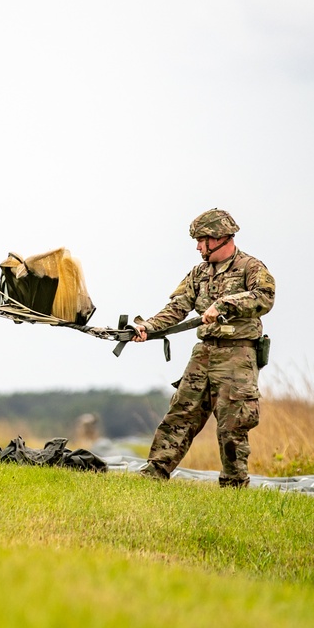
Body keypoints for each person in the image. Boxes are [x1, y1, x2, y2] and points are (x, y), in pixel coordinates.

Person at [133, 209, 274, 487]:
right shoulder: (198, 273)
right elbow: (177, 308)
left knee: (233, 424)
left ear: (220, 237)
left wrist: (224, 304)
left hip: (238, 355)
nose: (198, 247)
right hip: (204, 353)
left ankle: (234, 484)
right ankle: (155, 471)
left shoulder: (251, 267)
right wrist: (147, 327)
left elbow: (265, 298)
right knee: (181, 412)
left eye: (201, 240)